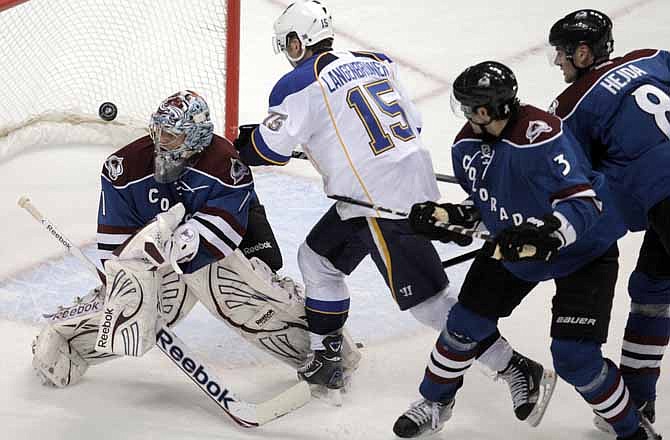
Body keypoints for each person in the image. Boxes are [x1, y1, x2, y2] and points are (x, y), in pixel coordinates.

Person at [233, 1, 554, 410]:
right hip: (386, 191)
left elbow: (268, 150)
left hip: (378, 202)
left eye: (289, 44)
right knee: (317, 259)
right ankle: (328, 357)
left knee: (431, 304)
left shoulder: (297, 83)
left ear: (298, 42)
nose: (289, 52)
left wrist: (247, 144)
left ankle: (516, 368)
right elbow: (413, 122)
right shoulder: (376, 61)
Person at [392, 61, 657, 440]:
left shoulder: (543, 137)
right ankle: (435, 402)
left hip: (583, 251)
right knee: (464, 326)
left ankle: (634, 432)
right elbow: (489, 209)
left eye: (469, 107)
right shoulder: (466, 146)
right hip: (516, 249)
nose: (465, 115)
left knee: (575, 358)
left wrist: (543, 234)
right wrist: (449, 218)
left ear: (484, 110)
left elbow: (584, 203)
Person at [31, 90, 360, 388]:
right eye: (158, 132)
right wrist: (127, 282)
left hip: (237, 238)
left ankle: (323, 349)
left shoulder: (225, 163)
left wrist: (182, 240)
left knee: (227, 288)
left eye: (171, 136)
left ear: (196, 138)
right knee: (146, 303)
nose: (160, 142)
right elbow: (115, 245)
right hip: (159, 251)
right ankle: (69, 343)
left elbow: (223, 232)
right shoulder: (124, 168)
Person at [548, 9, 670, 435]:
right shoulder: (652, 57)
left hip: (665, 200)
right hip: (661, 204)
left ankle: (637, 402)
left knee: (654, 290)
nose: (559, 62)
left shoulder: (571, 105)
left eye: (562, 54)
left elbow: (567, 175)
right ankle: (638, 398)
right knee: (652, 288)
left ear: (583, 53)